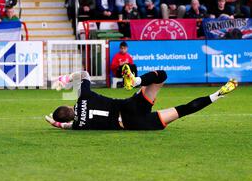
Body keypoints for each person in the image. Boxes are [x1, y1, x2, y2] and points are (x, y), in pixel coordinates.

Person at [45, 68, 238, 131]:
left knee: (183, 110)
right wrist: (67, 78)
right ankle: (136, 80)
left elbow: (67, 126)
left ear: (69, 119)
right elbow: (85, 74)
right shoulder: (83, 97)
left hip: (135, 122)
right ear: (68, 105)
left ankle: (217, 95)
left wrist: (56, 124)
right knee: (161, 75)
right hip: (129, 106)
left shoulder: (79, 125)